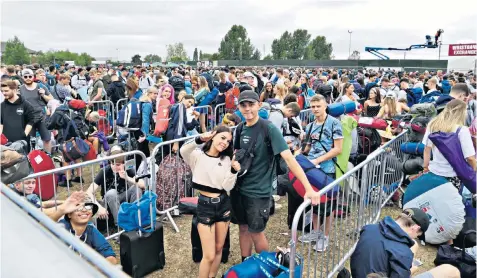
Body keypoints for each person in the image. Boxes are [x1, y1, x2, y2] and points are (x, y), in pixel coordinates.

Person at [231, 90, 321, 262]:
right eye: (244, 105)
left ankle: (265, 265)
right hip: (239, 188)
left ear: (259, 105)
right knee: (243, 228)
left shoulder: (269, 128)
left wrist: (308, 188)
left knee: (256, 232)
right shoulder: (240, 128)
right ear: (239, 107)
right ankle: (246, 264)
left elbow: (290, 159)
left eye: (251, 104)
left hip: (259, 191)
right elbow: (237, 154)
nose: (247, 108)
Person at [180, 126, 240, 278]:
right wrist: (200, 138)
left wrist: (233, 171)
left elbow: (227, 186)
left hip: (223, 204)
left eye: (228, 141)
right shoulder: (197, 156)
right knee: (209, 255)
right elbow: (183, 150)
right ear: (213, 136)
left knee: (219, 248)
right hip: (205, 206)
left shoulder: (226, 159)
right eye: (222, 138)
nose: (225, 142)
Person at [351, 208, 451, 278]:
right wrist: (411, 270)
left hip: (358, 274)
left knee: (414, 245)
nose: (416, 237)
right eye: (418, 235)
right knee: (449, 270)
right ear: (415, 228)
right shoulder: (402, 252)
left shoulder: (369, 228)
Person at [299, 94, 343, 251]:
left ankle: (325, 236)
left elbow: (338, 149)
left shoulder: (334, 123)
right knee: (315, 203)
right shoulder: (310, 125)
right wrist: (298, 154)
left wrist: (317, 161)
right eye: (313, 106)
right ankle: (315, 232)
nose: (316, 109)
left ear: (325, 106)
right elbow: (308, 147)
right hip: (311, 170)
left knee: (328, 206)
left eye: (318, 106)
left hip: (327, 170)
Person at [48, 191, 117, 264]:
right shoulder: (62, 227)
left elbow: (110, 255)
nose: (84, 210)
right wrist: (61, 211)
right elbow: (42, 228)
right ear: (69, 215)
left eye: (88, 206)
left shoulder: (90, 229)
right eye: (78, 207)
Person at [423, 99, 477, 190]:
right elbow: (470, 158)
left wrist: (425, 167)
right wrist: (474, 170)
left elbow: (426, 149)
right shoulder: (462, 130)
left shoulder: (433, 124)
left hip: (434, 171)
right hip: (454, 174)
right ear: (461, 112)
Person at [86, 146, 146, 225]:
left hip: (123, 199)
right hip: (108, 203)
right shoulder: (105, 171)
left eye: (120, 164)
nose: (117, 167)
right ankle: (120, 224)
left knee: (136, 188)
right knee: (112, 193)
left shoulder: (127, 169)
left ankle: (133, 219)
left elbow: (143, 184)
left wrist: (127, 177)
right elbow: (89, 191)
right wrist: (99, 207)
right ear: (110, 163)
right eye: (114, 164)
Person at [19, 69, 53, 153]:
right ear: (22, 78)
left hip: (42, 117)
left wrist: (43, 95)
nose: (28, 78)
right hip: (28, 119)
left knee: (47, 139)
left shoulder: (41, 86)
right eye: (25, 77)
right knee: (29, 141)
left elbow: (51, 99)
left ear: (33, 77)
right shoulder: (20, 89)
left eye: (30, 76)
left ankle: (48, 157)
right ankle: (31, 160)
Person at [0, 80, 38, 147]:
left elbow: (31, 121)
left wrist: (24, 134)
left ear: (14, 90)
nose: (4, 93)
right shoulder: (2, 106)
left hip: (21, 142)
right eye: (2, 91)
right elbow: (1, 123)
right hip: (6, 143)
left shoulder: (26, 105)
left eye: (6, 91)